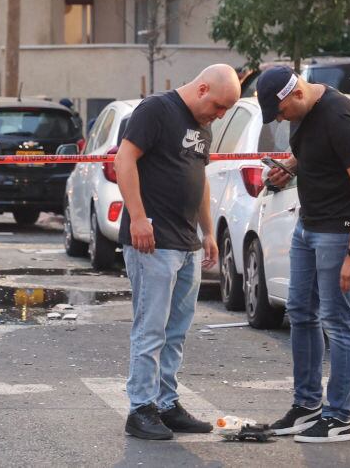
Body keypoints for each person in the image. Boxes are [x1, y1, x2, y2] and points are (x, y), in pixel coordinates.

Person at [114, 64, 241, 440]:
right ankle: (141, 409)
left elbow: (199, 178)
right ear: (202, 88)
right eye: (218, 107)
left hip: (185, 243)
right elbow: (124, 159)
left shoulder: (203, 126)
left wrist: (207, 232)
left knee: (176, 331)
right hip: (152, 242)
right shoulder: (155, 111)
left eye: (224, 111)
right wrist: (138, 219)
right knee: (150, 329)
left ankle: (166, 404)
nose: (219, 116)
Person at [255, 66, 350, 443]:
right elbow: (317, 157)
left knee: (337, 322)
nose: (280, 120)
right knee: (300, 313)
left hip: (337, 233)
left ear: (294, 94)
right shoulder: (301, 114)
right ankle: (307, 407)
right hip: (307, 227)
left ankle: (339, 417)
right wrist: (289, 169)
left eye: (279, 112)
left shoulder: (339, 116)